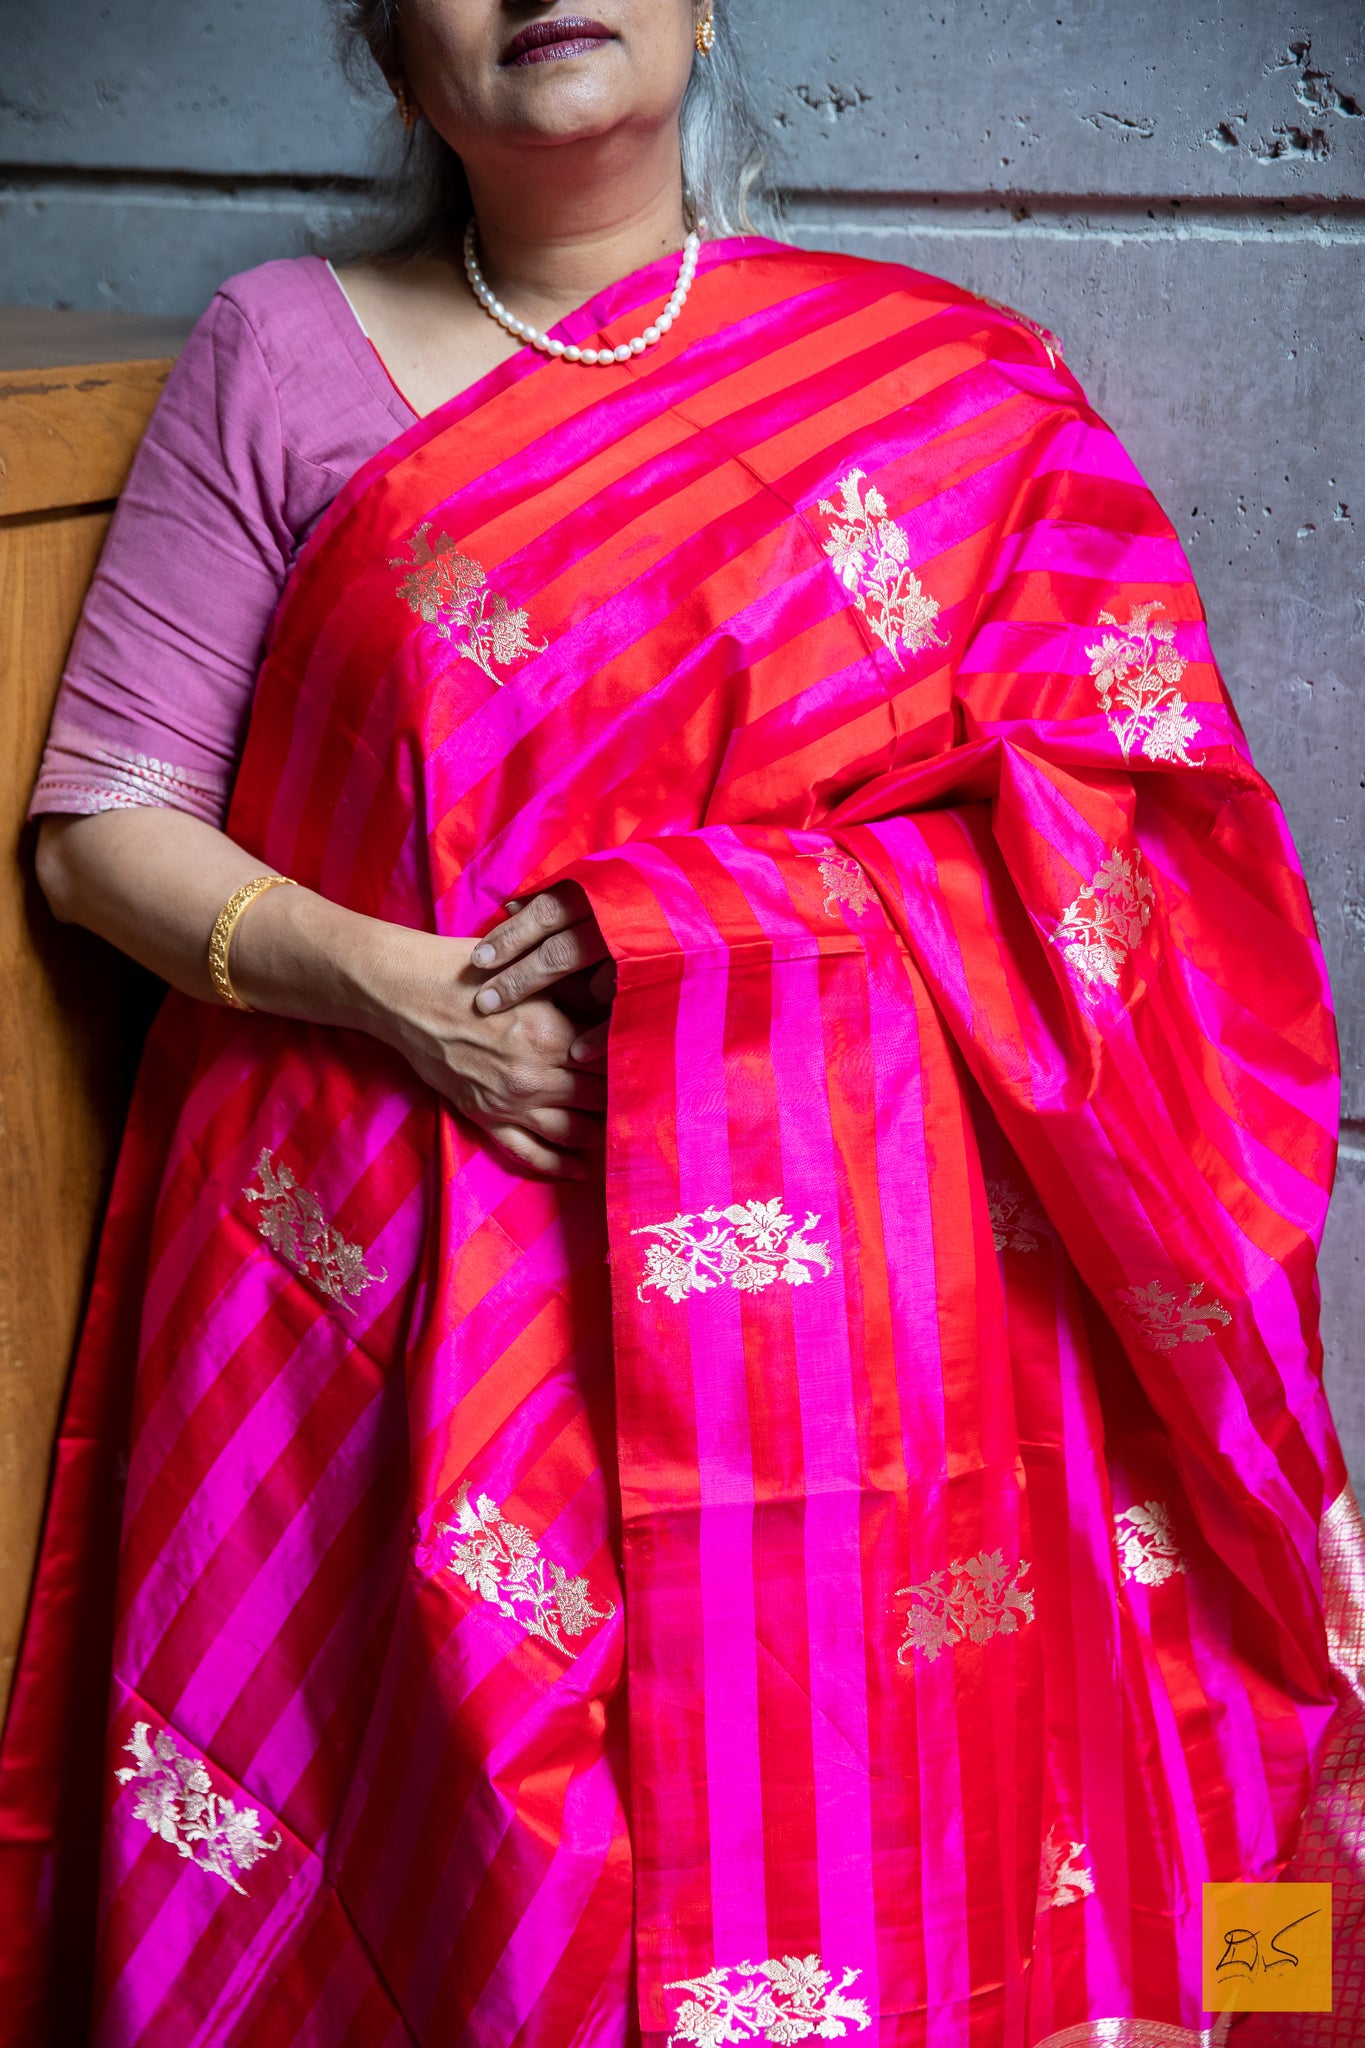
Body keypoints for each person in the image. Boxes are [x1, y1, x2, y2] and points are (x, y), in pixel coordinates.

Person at [0, 3, 1358, 2044]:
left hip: (865, 1310)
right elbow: (102, 827)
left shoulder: (932, 385)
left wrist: (721, 919)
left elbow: (1135, 824)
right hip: (441, 1271)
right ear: (388, 54)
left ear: (707, 2)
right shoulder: (282, 349)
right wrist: (405, 991)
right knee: (500, 1880)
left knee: (912, 1812)